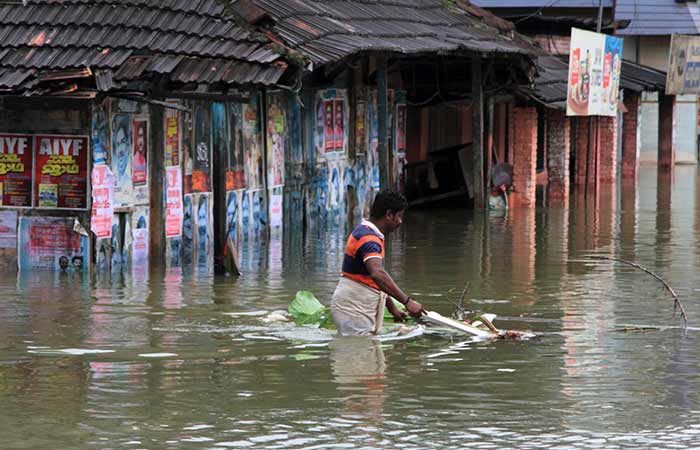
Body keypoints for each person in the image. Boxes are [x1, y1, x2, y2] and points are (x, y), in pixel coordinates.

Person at [331, 189, 425, 336]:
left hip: (355, 306)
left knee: (367, 354)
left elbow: (374, 280)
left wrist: (392, 308)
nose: (400, 221)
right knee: (359, 353)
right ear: (388, 215)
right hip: (353, 308)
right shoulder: (369, 239)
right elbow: (377, 274)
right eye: (399, 216)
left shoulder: (367, 233)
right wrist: (407, 302)